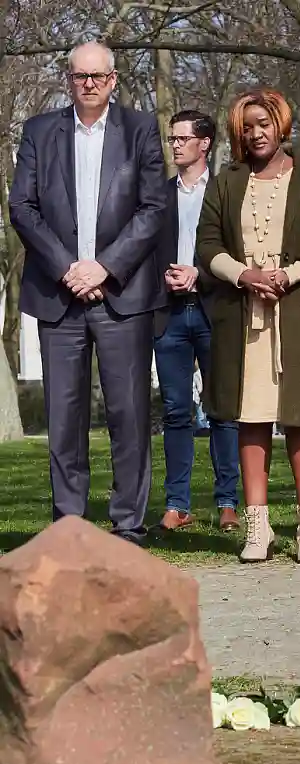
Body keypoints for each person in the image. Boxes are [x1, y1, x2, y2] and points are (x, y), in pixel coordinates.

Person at [9, 41, 167, 545]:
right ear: (69, 79)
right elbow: (23, 207)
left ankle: (128, 526)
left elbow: (153, 208)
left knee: (129, 415)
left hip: (123, 294)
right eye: (81, 76)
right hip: (58, 297)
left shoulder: (141, 130)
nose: (90, 84)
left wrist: (104, 267)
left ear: (114, 79)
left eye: (99, 76)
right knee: (63, 417)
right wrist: (67, 268)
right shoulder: (39, 132)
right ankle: (70, 526)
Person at [196, 88, 300, 563]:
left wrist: (289, 274)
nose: (256, 133)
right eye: (247, 126)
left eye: (264, 124)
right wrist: (244, 275)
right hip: (243, 317)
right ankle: (257, 529)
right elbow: (208, 244)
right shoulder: (226, 181)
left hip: (299, 312)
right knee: (251, 419)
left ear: (282, 125)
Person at [153, 110, 240, 532]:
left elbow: (238, 253)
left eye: (182, 138)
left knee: (223, 410)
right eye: (172, 139)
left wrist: (199, 275)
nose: (175, 145)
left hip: (214, 312)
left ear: (204, 143)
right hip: (169, 316)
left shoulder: (226, 191)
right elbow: (143, 251)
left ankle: (228, 502)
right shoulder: (158, 194)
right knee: (175, 411)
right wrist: (164, 278)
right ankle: (177, 504)